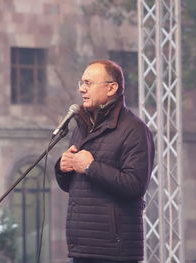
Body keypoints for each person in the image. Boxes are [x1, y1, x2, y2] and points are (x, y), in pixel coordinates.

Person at [55, 59, 155, 263]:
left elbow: (135, 185)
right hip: (82, 248)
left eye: (89, 83)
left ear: (112, 88)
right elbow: (72, 186)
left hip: (114, 252)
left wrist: (91, 167)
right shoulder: (82, 126)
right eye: (81, 83)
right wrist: (63, 168)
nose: (82, 89)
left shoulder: (134, 129)